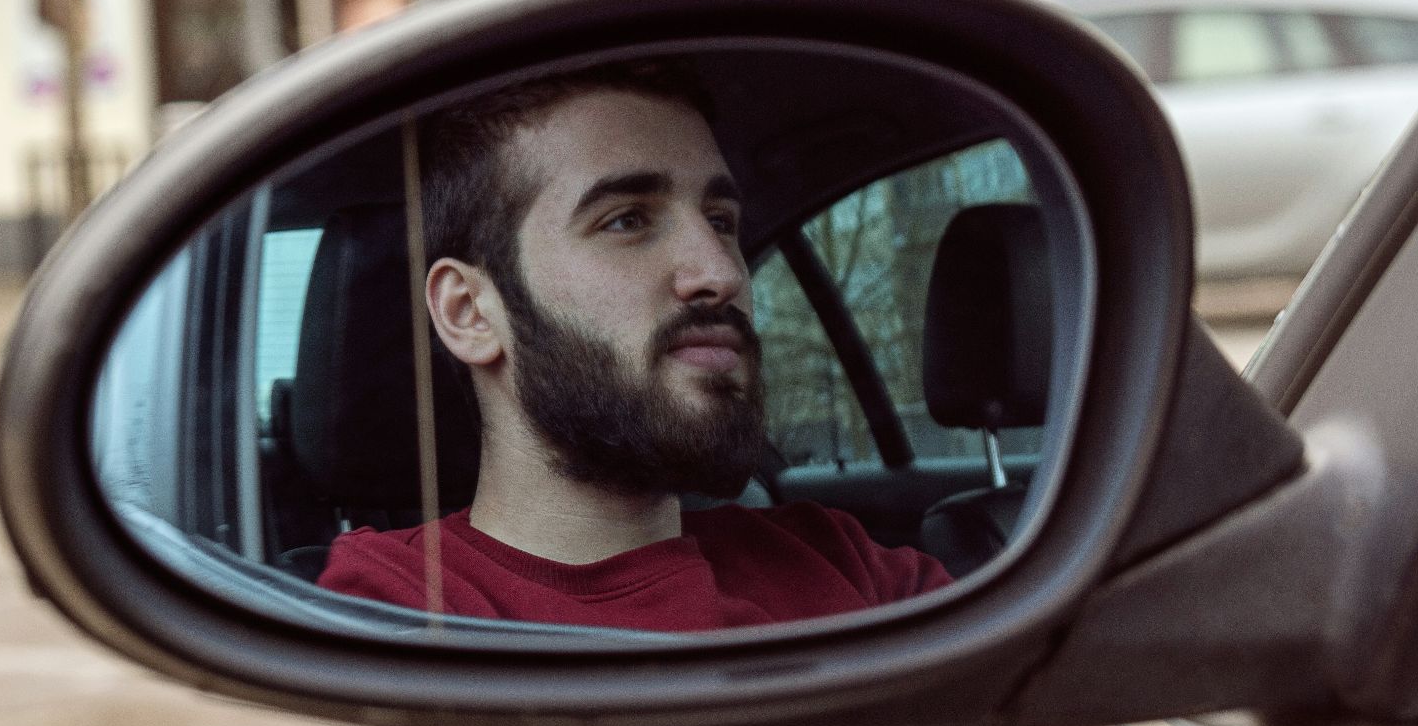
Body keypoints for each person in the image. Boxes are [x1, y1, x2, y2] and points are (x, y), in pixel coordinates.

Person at [316, 62, 953, 631]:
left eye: (722, 222)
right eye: (626, 220)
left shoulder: (841, 563)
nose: (722, 272)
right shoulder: (398, 610)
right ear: (471, 313)